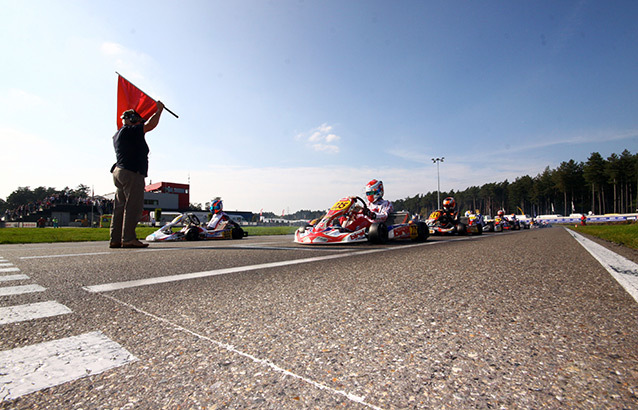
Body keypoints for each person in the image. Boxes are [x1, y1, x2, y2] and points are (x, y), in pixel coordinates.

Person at [109, 101, 164, 248]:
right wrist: (159, 111)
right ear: (133, 119)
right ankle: (128, 239)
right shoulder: (130, 130)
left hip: (119, 171)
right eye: (138, 120)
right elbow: (150, 126)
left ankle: (115, 239)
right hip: (132, 172)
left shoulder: (118, 134)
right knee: (133, 206)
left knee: (119, 207)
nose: (140, 123)